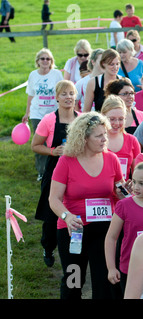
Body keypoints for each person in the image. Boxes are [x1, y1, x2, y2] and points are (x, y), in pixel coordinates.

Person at [49, 112, 126, 299]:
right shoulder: (66, 161)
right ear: (84, 138)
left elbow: (119, 190)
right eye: (99, 136)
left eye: (105, 134)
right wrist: (67, 217)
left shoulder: (112, 159)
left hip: (105, 230)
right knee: (73, 280)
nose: (105, 139)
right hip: (74, 230)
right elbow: (54, 199)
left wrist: (125, 191)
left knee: (104, 281)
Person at [32, 80, 79, 267]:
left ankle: (75, 248)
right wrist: (53, 151)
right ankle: (48, 246)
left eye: (71, 93)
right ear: (56, 97)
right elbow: (35, 145)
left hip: (76, 169)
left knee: (74, 209)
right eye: (64, 94)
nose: (68, 97)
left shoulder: (81, 118)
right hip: (54, 170)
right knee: (51, 213)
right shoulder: (48, 120)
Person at [105, 160, 143, 293]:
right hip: (130, 268)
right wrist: (111, 268)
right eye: (135, 182)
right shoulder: (124, 205)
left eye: (141, 183)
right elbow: (111, 238)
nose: (136, 187)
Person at [23, 48, 64, 181]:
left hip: (53, 113)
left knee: (53, 142)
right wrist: (27, 112)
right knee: (39, 143)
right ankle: (41, 171)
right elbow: (30, 95)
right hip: (37, 114)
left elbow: (61, 92)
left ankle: (55, 170)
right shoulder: (33, 75)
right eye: (42, 59)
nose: (45, 61)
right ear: (38, 61)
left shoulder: (57, 74)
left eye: (48, 59)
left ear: (51, 61)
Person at [101, 95, 141, 180]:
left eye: (121, 119)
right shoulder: (95, 140)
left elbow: (137, 175)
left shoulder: (132, 141)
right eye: (112, 119)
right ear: (103, 117)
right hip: (100, 191)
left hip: (123, 191)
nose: (117, 123)